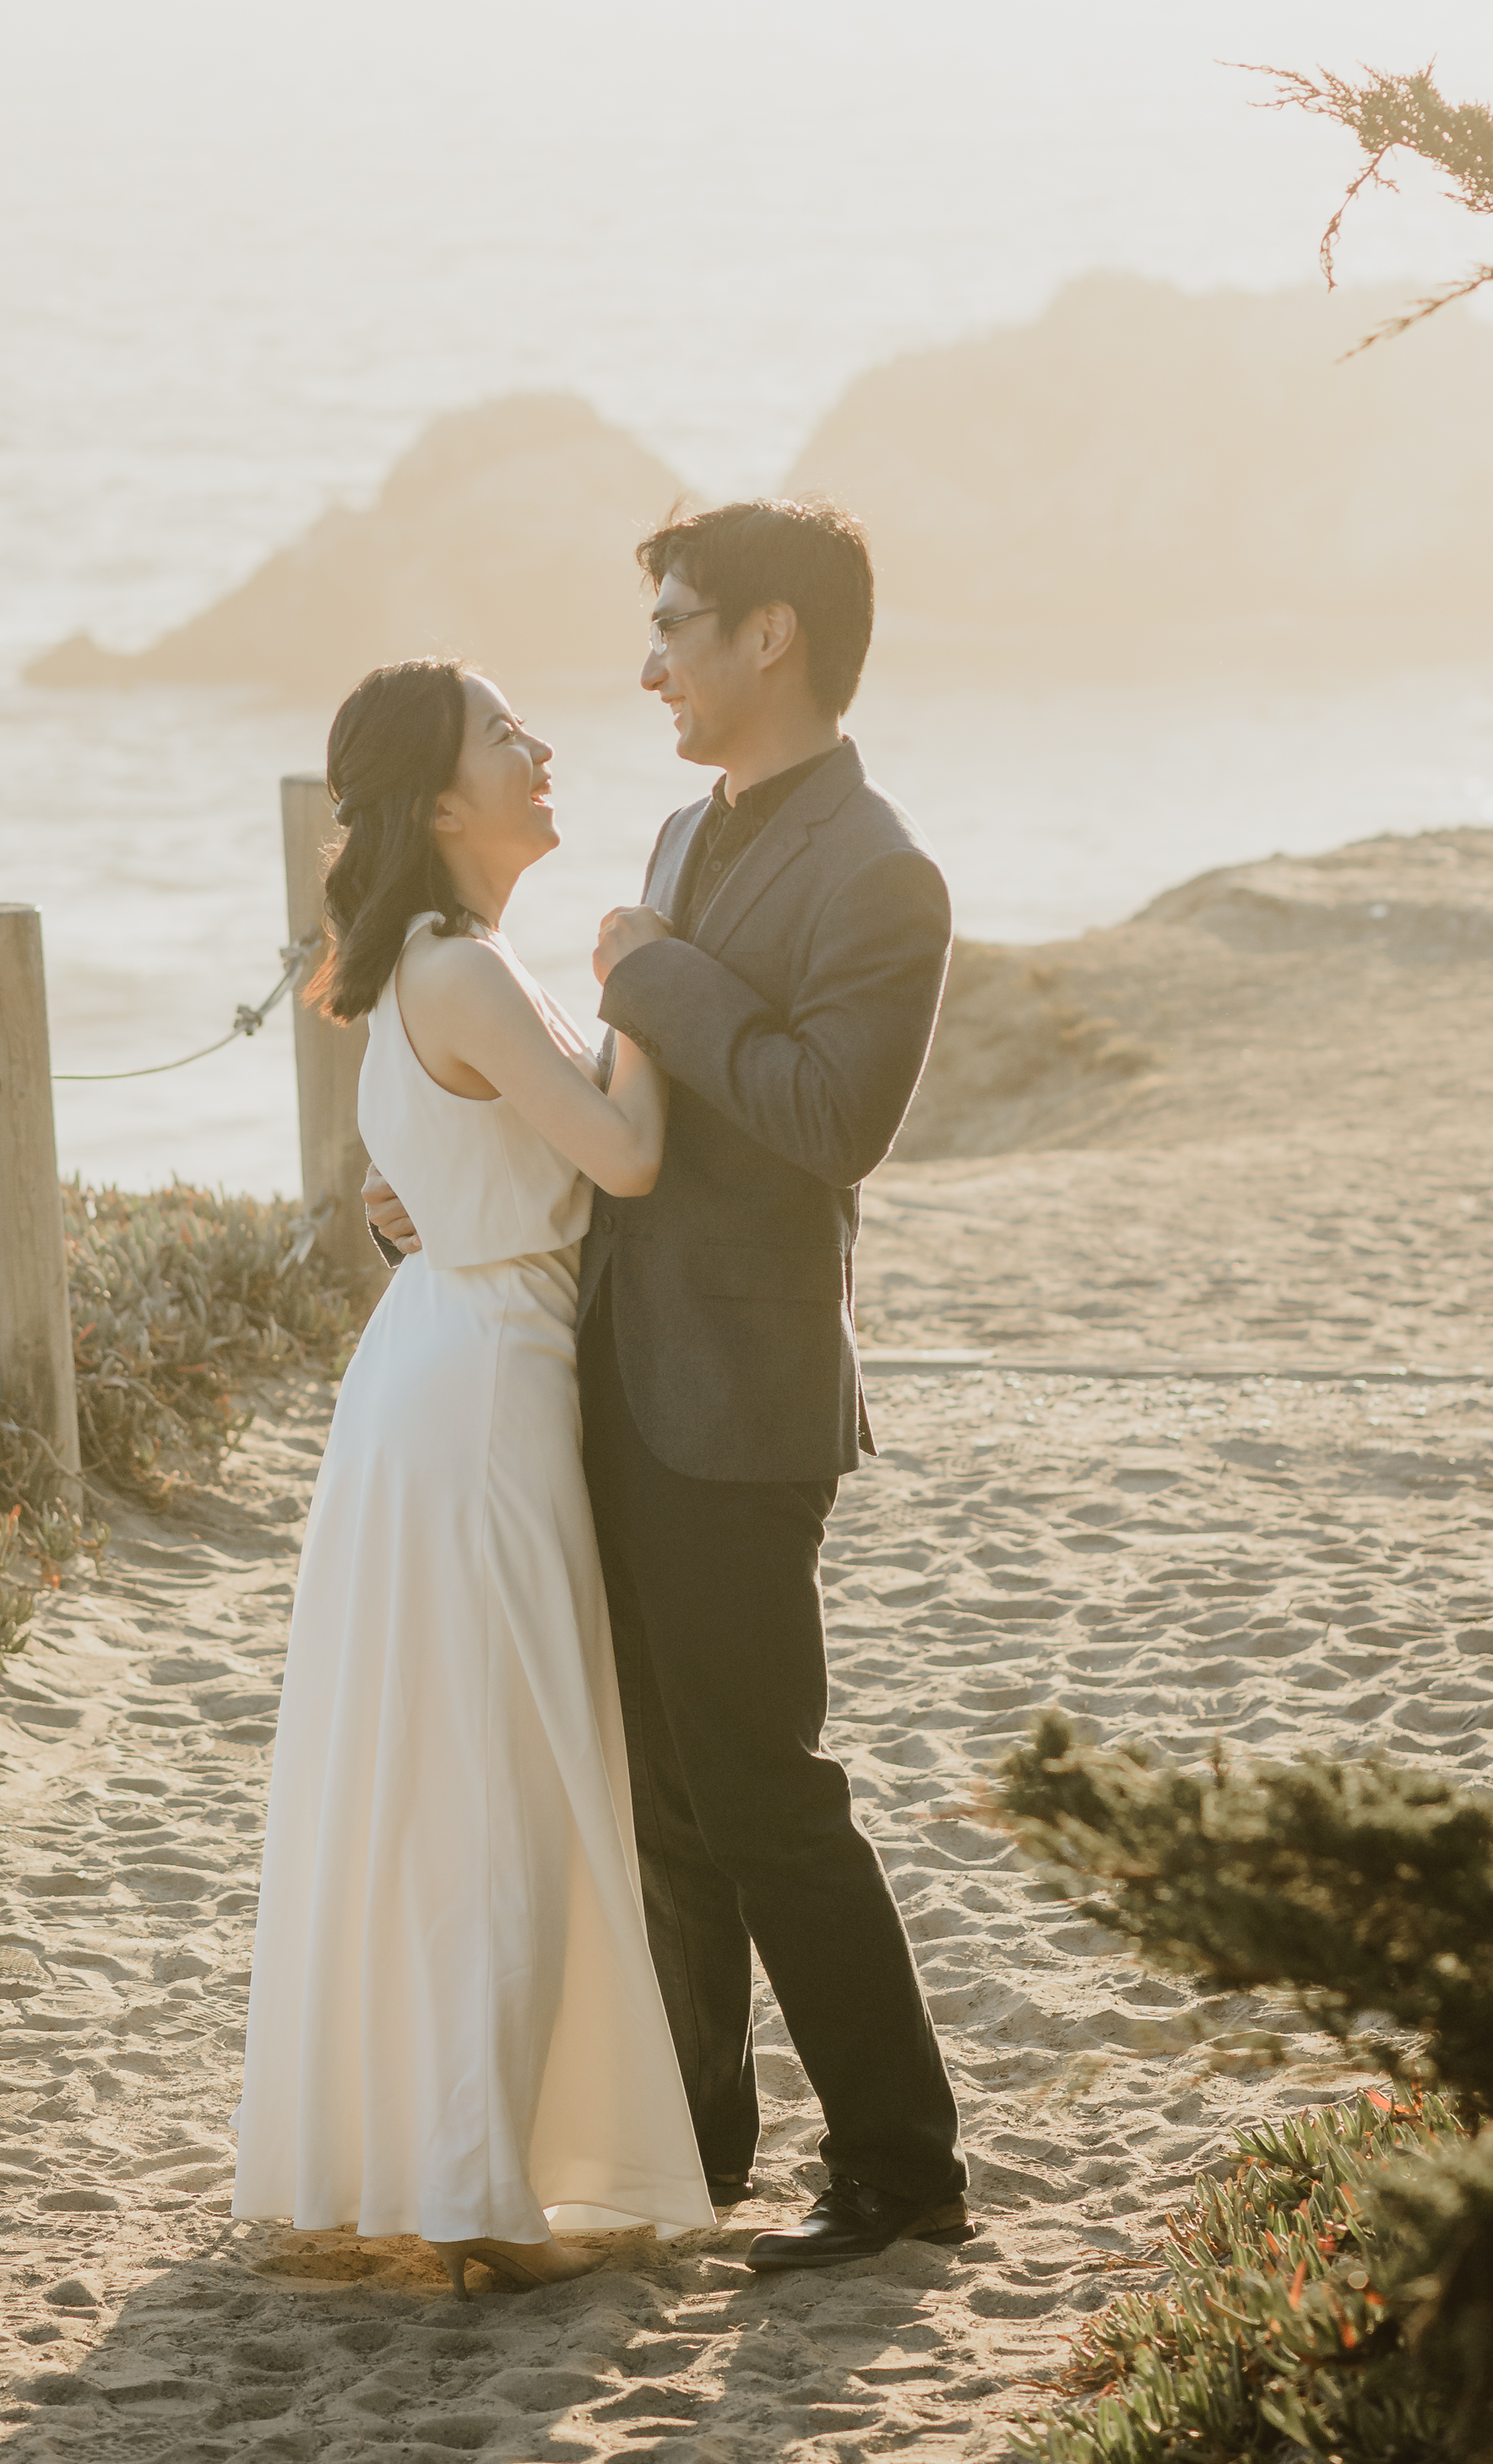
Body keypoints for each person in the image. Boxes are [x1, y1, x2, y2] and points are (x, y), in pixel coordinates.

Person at [366, 500, 970, 2271]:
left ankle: (901, 2168)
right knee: (662, 1803)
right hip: (602, 1381)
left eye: (677, 624)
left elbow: (819, 1118)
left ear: (771, 636)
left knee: (766, 1787)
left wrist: (656, 968)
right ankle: (694, 2151)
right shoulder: (672, 830)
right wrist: (447, 1192)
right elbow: (616, 1120)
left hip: (742, 1397)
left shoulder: (882, 871)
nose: (648, 664)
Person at [232, 658, 714, 2296]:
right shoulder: (463, 972)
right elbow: (628, 1156)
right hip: (484, 1390)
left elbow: (453, 1168)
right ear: (441, 803)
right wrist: (643, 986)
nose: (540, 746)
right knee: (496, 1780)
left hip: (449, 1364)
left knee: (460, 1771)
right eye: (507, 736)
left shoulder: (443, 966)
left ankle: (460, 2165)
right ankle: (473, 2189)